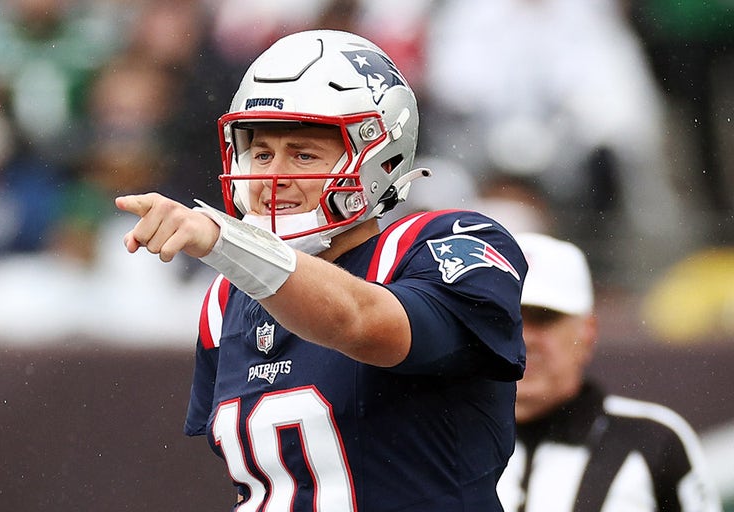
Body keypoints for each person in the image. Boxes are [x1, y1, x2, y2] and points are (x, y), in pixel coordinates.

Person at [116, 29, 528, 510]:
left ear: (380, 157)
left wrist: (227, 242)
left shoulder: (446, 244)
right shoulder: (227, 298)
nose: (273, 177)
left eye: (304, 154)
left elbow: (361, 322)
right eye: (263, 153)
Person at [498, 232, 722, 512]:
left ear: (588, 331)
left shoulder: (652, 439)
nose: (524, 338)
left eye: (544, 317)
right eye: (505, 317)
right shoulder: (437, 436)